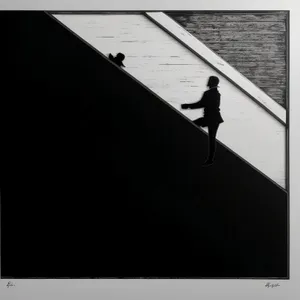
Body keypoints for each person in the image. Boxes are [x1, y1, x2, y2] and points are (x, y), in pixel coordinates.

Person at [181, 76, 224, 166]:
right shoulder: (217, 94)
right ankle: (210, 159)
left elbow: (201, 104)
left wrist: (187, 106)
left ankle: (196, 151)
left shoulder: (208, 93)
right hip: (215, 119)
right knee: (212, 139)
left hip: (209, 118)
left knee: (191, 126)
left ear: (211, 82)